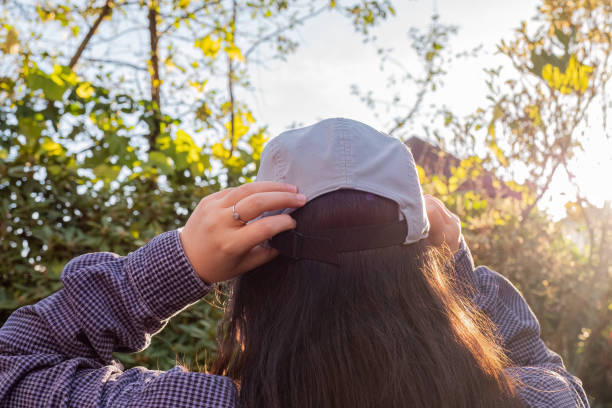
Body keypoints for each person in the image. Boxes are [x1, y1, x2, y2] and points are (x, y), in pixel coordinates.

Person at [0, 118, 588, 407]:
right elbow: (547, 370)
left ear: (257, 276)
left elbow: (13, 367)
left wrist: (179, 262)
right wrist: (457, 269)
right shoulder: (530, 400)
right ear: (423, 267)